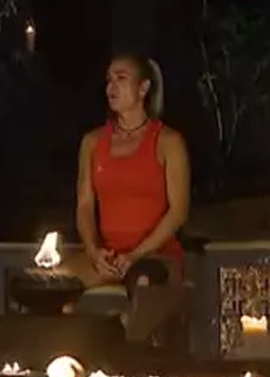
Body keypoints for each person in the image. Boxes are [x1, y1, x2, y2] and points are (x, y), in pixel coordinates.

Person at [66, 53, 190, 344]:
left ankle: (134, 360)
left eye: (121, 79)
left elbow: (178, 211)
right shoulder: (92, 142)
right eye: (109, 80)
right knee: (50, 283)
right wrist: (94, 251)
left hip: (154, 254)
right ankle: (68, 355)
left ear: (143, 88)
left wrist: (135, 255)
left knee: (144, 283)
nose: (111, 87)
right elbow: (84, 205)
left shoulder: (168, 141)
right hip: (108, 255)